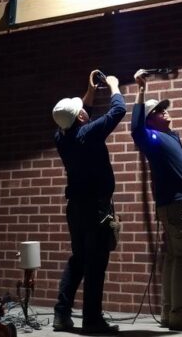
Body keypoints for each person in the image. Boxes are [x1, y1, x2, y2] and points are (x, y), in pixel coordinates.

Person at [131, 69, 182, 332]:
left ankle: (168, 313)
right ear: (149, 120)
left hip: (178, 205)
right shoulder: (152, 139)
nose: (164, 111)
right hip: (177, 207)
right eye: (158, 111)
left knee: (176, 258)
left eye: (164, 108)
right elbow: (135, 129)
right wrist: (141, 90)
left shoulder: (169, 137)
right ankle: (179, 314)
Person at [52, 70, 126, 335]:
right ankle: (92, 320)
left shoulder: (62, 137)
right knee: (96, 263)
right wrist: (114, 86)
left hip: (76, 209)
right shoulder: (89, 134)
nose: (84, 109)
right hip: (98, 209)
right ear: (81, 117)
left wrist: (92, 90)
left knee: (79, 259)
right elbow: (118, 111)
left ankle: (61, 315)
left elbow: (80, 112)